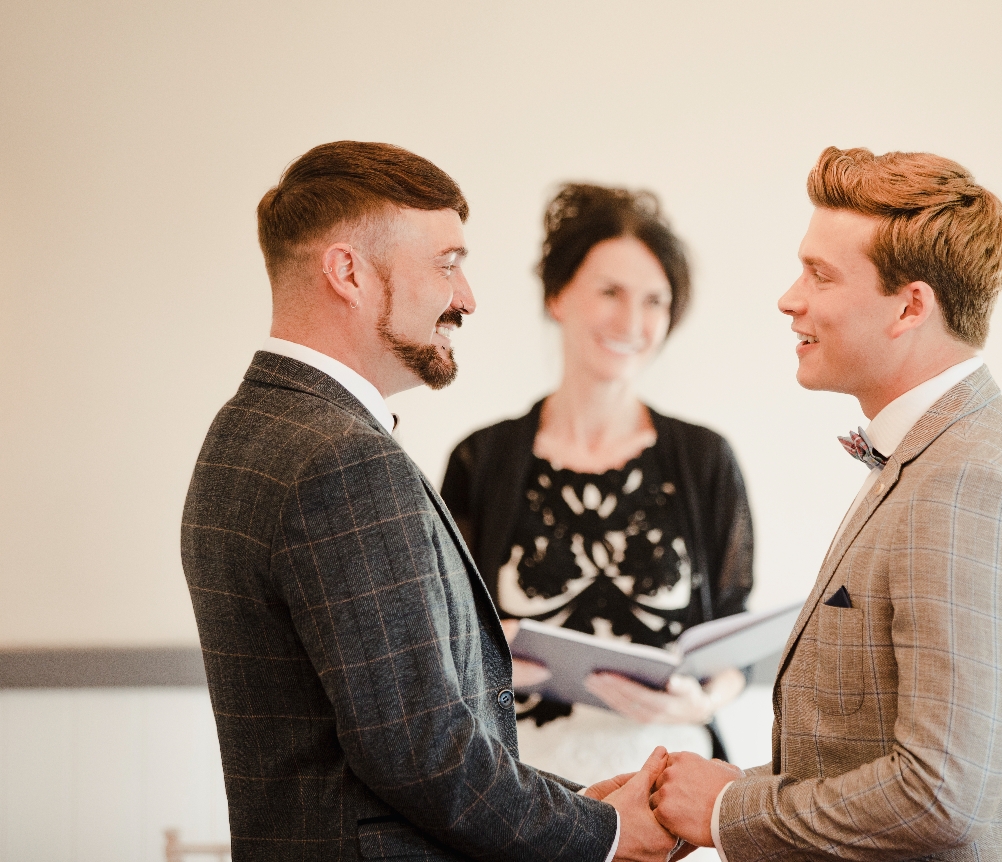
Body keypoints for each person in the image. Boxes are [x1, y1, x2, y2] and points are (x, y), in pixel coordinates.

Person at [180, 141, 677, 862]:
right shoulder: (342, 461)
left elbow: (394, 734)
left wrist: (573, 803)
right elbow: (422, 752)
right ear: (347, 272)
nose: (466, 296)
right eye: (447, 264)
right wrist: (602, 834)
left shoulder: (248, 429)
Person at [648, 147, 1002, 861]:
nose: (790, 298)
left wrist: (730, 810)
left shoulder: (966, 484)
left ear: (911, 306)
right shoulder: (945, 451)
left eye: (819, 275)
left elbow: (938, 796)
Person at [440, 184, 754, 787]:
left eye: (655, 301)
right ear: (558, 295)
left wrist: (705, 701)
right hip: (518, 786)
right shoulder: (482, 460)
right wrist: (492, 655)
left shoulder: (704, 459)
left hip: (670, 782)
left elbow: (733, 635)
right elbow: (441, 634)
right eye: (610, 291)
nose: (632, 322)